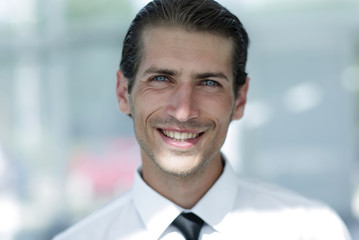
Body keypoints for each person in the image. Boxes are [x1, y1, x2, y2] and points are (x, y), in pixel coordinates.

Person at [53, 0, 352, 239]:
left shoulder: (313, 231)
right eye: (161, 79)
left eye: (209, 83)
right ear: (123, 92)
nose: (183, 111)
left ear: (240, 99)